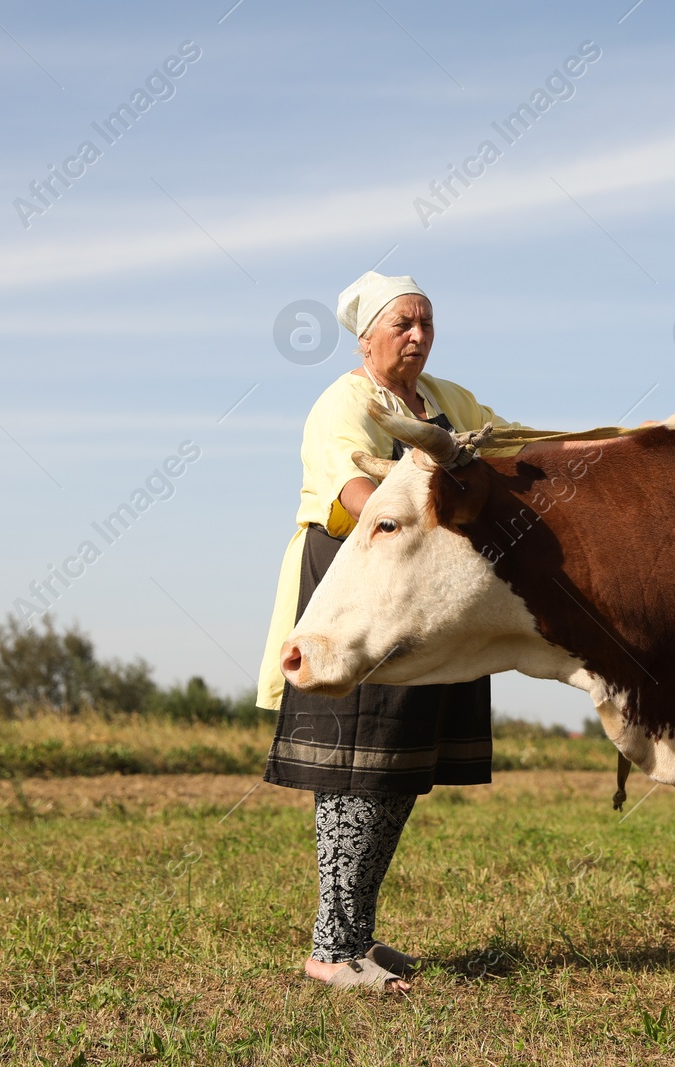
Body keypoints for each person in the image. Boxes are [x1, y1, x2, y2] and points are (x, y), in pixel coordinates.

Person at [257, 270, 560, 992]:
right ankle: (330, 949)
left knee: (395, 766)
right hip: (357, 584)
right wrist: (423, 505)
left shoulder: (450, 402)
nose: (419, 335)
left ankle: (355, 935)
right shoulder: (346, 400)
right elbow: (359, 496)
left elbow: (509, 447)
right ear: (367, 338)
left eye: (427, 322)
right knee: (353, 762)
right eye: (404, 324)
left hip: (422, 592)